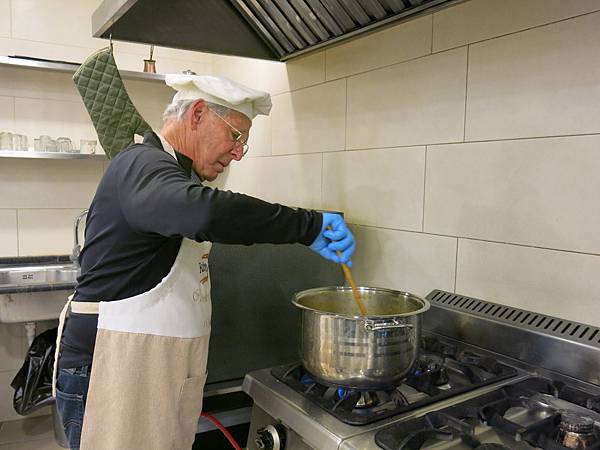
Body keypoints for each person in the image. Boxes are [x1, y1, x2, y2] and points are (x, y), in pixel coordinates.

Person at [53, 74, 355, 450]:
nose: (240, 152)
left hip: (147, 369)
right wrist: (308, 226)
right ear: (197, 115)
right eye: (236, 136)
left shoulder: (171, 173)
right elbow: (204, 214)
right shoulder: (143, 163)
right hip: (112, 370)